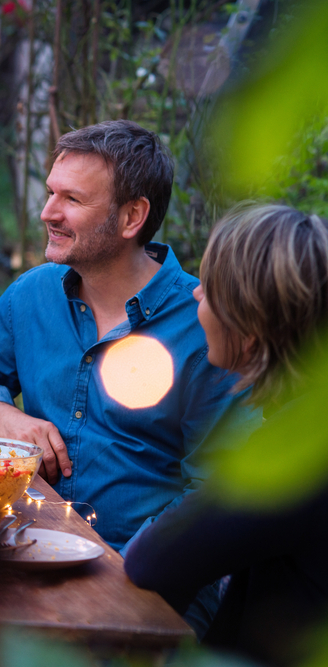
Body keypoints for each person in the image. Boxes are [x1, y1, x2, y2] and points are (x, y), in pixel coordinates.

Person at [0, 120, 257, 554]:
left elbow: (216, 492)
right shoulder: (33, 294)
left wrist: (127, 569)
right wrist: (1, 414)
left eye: (72, 199)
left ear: (131, 217)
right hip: (21, 543)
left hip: (139, 573)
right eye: (51, 192)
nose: (48, 212)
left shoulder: (204, 325)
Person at [124, 204, 328, 666]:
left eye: (211, 289)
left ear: (252, 325)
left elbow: (152, 560)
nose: (196, 292)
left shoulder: (298, 447)